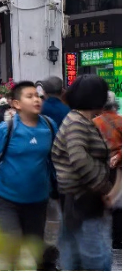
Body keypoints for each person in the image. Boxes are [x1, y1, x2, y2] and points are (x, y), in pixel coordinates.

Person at [0, 81, 58, 269]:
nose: (36, 100)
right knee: (12, 245)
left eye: (38, 96)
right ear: (16, 104)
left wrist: (60, 187)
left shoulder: (49, 126)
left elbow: (56, 158)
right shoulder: (6, 129)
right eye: (29, 96)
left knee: (35, 248)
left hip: (37, 200)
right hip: (6, 199)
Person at [52, 76, 116, 271]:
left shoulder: (81, 120)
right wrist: (104, 186)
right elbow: (79, 158)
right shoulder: (77, 122)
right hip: (83, 197)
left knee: (74, 254)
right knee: (97, 257)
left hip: (76, 196)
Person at [93, 95, 122, 249]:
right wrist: (118, 156)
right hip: (118, 170)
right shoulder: (121, 121)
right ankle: (118, 240)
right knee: (118, 205)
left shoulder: (94, 123)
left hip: (99, 169)